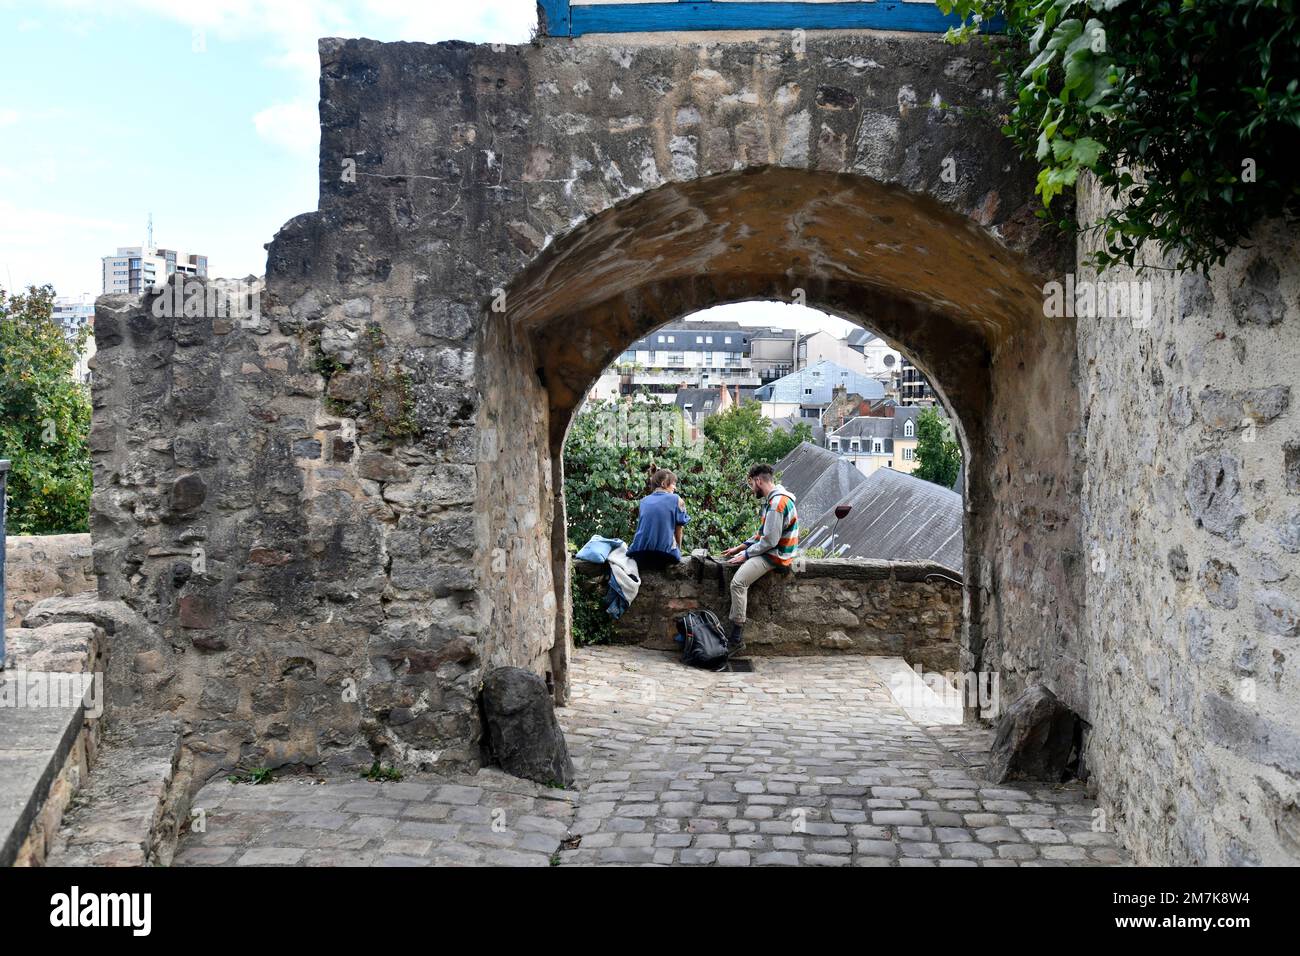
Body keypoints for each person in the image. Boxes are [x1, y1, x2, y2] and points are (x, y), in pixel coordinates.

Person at [720, 463, 799, 650]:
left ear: (758, 481)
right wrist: (739, 547)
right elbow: (762, 534)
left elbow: (769, 541)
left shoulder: (775, 504)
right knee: (739, 573)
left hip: (776, 556)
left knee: (738, 583)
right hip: (775, 551)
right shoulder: (777, 499)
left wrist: (745, 555)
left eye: (751, 484)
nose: (751, 489)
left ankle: (736, 638)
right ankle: (735, 636)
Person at [628, 469, 690, 572]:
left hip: (639, 554)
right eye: (673, 484)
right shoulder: (676, 499)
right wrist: (678, 550)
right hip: (664, 555)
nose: (675, 487)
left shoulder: (643, 501)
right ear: (664, 483)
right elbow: (679, 529)